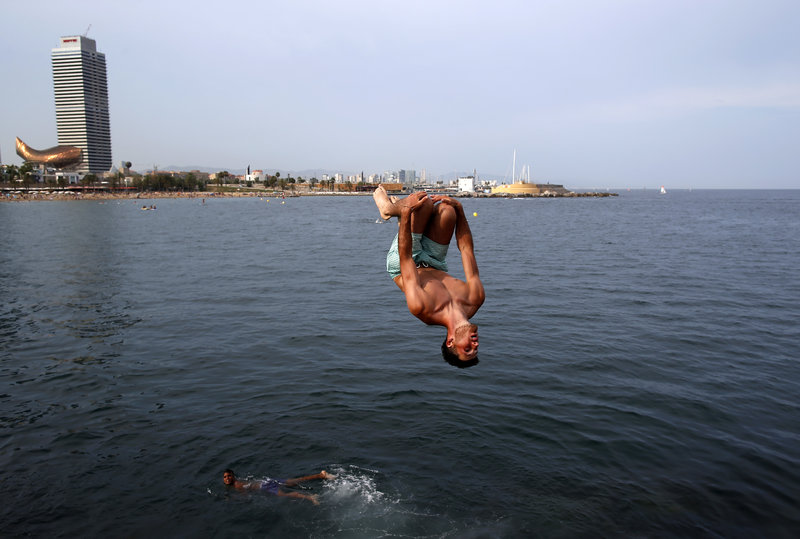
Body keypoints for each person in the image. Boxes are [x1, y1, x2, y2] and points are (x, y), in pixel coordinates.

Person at [373, 186, 485, 367]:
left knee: (423, 205)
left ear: (451, 342)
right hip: (435, 260)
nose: (476, 344)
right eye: (476, 349)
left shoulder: (422, 308)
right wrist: (460, 210)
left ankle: (388, 208)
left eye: (468, 349)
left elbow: (406, 258)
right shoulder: (475, 298)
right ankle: (401, 211)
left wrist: (406, 212)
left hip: (405, 264)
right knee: (448, 211)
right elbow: (466, 251)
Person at [222, 469, 335, 505]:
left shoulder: (237, 485)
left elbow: (246, 497)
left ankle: (310, 497)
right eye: (225, 477)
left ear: (233, 476)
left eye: (229, 476)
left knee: (284, 494)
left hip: (265, 486)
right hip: (267, 480)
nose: (227, 478)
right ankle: (321, 475)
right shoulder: (239, 480)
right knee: (295, 481)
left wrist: (233, 498)